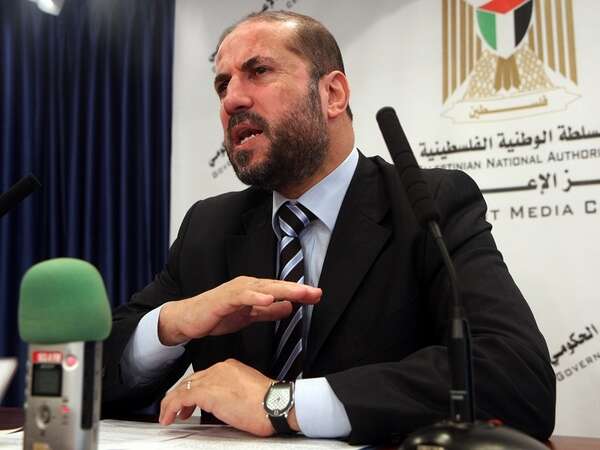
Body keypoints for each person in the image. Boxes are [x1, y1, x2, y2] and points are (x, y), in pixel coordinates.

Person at [102, 11, 555, 445]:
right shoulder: (209, 226)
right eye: (222, 84)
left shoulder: (428, 206)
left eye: (258, 71)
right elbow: (92, 377)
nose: (232, 99)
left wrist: (282, 404)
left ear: (333, 94)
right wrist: (173, 322)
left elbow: (515, 377)